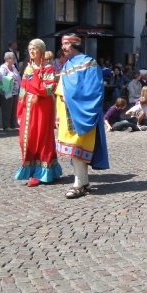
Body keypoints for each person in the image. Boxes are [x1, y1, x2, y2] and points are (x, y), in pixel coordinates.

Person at [55, 34, 109, 199]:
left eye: (65, 45)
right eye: (62, 45)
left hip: (82, 112)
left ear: (74, 45)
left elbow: (94, 89)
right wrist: (58, 113)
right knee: (74, 150)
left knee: (78, 147)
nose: (63, 48)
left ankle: (78, 184)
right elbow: (60, 90)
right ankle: (83, 182)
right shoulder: (67, 65)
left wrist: (73, 98)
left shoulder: (89, 63)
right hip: (67, 113)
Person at [14, 39, 62, 187]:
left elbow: (46, 90)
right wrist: (20, 112)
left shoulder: (48, 69)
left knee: (41, 138)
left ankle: (41, 172)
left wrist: (31, 77)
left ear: (41, 51)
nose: (32, 51)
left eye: (34, 48)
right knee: (24, 140)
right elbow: (22, 91)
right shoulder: (28, 68)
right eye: (30, 48)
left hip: (42, 108)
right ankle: (32, 168)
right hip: (28, 108)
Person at [0, 51, 21, 132]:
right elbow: (0, 79)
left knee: (14, 108)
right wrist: (10, 80)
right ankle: (6, 126)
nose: (14, 59)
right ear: (8, 59)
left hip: (15, 91)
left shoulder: (13, 67)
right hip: (7, 92)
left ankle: (13, 125)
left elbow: (17, 76)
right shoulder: (3, 68)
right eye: (13, 58)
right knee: (7, 108)